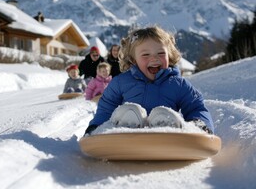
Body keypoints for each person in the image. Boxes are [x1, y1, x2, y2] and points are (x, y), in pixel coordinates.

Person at [84, 26, 214, 135]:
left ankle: (167, 124)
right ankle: (126, 124)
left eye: (161, 53)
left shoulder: (177, 84)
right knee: (127, 111)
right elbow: (106, 107)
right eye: (146, 55)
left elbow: (195, 106)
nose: (154, 59)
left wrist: (200, 124)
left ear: (169, 55)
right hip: (127, 136)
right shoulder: (121, 82)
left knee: (166, 115)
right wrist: (96, 127)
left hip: (165, 135)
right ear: (133, 60)